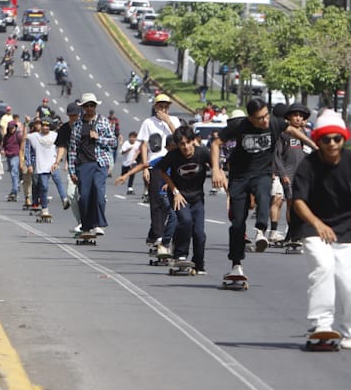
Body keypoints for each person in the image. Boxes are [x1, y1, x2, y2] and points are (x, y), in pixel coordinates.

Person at [290, 110, 351, 350]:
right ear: (317, 140)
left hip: (345, 229)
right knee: (324, 268)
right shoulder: (308, 166)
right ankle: (322, 323)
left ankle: (350, 330)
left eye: (336, 139)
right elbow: (298, 200)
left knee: (349, 283)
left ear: (343, 139)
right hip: (313, 226)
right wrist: (318, 224)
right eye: (326, 139)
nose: (331, 144)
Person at [211, 97, 316, 279]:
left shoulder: (273, 122)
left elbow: (291, 129)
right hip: (239, 177)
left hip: (262, 173)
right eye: (260, 118)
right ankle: (236, 264)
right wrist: (216, 170)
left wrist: (314, 145)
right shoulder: (239, 126)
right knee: (237, 222)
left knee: (263, 194)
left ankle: (261, 231)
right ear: (250, 118)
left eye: (266, 115)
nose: (265, 121)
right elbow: (215, 143)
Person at [157, 125, 212, 274]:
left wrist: (223, 182)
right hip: (179, 196)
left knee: (199, 233)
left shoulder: (202, 153)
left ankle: (199, 263)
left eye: (188, 142)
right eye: (182, 144)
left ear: (194, 141)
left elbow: (216, 166)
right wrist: (174, 191)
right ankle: (180, 255)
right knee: (186, 221)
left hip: (197, 198)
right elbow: (162, 171)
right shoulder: (174, 155)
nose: (186, 147)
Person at [135, 94, 181, 255]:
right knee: (156, 201)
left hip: (173, 163)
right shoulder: (148, 123)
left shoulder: (174, 121)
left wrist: (168, 121)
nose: (163, 109)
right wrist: (145, 168)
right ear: (155, 107)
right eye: (160, 106)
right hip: (156, 164)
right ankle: (158, 235)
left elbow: (180, 137)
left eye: (166, 106)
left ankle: (163, 235)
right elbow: (144, 145)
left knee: (172, 202)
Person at [67, 93, 117, 236]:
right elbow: (72, 149)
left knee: (99, 192)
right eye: (87, 106)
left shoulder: (103, 121)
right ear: (82, 108)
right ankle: (86, 227)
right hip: (83, 164)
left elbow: (114, 142)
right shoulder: (77, 125)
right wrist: (72, 170)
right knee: (84, 196)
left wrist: (99, 138)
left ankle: (97, 223)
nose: (89, 108)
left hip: (100, 162)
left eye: (92, 105)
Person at [270, 103, 311, 243]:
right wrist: (283, 174)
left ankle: (292, 233)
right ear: (289, 117)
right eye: (295, 115)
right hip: (289, 174)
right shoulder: (283, 134)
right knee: (292, 204)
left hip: (303, 175)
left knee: (300, 204)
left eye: (301, 116)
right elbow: (277, 156)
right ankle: (293, 234)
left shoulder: (305, 134)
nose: (298, 118)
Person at [55, 102, 82, 230]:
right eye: (71, 115)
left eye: (76, 115)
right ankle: (80, 221)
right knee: (71, 195)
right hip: (73, 166)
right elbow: (61, 146)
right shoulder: (64, 129)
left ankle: (90, 221)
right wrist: (57, 161)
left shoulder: (85, 126)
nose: (73, 117)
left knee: (87, 195)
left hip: (87, 164)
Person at [27, 118, 59, 218]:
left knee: (42, 184)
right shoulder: (32, 135)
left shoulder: (47, 136)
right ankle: (35, 201)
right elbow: (26, 150)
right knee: (36, 183)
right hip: (34, 163)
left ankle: (41, 201)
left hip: (43, 164)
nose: (39, 126)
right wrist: (29, 164)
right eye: (37, 124)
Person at [3, 121, 23, 201]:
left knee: (14, 172)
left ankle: (14, 190)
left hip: (16, 155)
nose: (12, 129)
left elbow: (22, 144)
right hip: (8, 156)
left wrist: (22, 154)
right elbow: (4, 145)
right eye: (10, 128)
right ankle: (16, 185)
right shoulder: (6, 136)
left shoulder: (18, 135)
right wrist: (3, 150)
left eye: (13, 128)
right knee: (13, 173)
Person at [119, 131, 140, 195]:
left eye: (134, 137)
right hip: (125, 162)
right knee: (123, 175)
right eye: (131, 137)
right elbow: (122, 152)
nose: (132, 139)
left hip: (133, 162)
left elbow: (140, 151)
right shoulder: (126, 143)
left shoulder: (137, 144)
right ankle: (120, 181)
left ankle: (130, 188)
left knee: (132, 174)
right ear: (129, 137)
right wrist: (128, 149)